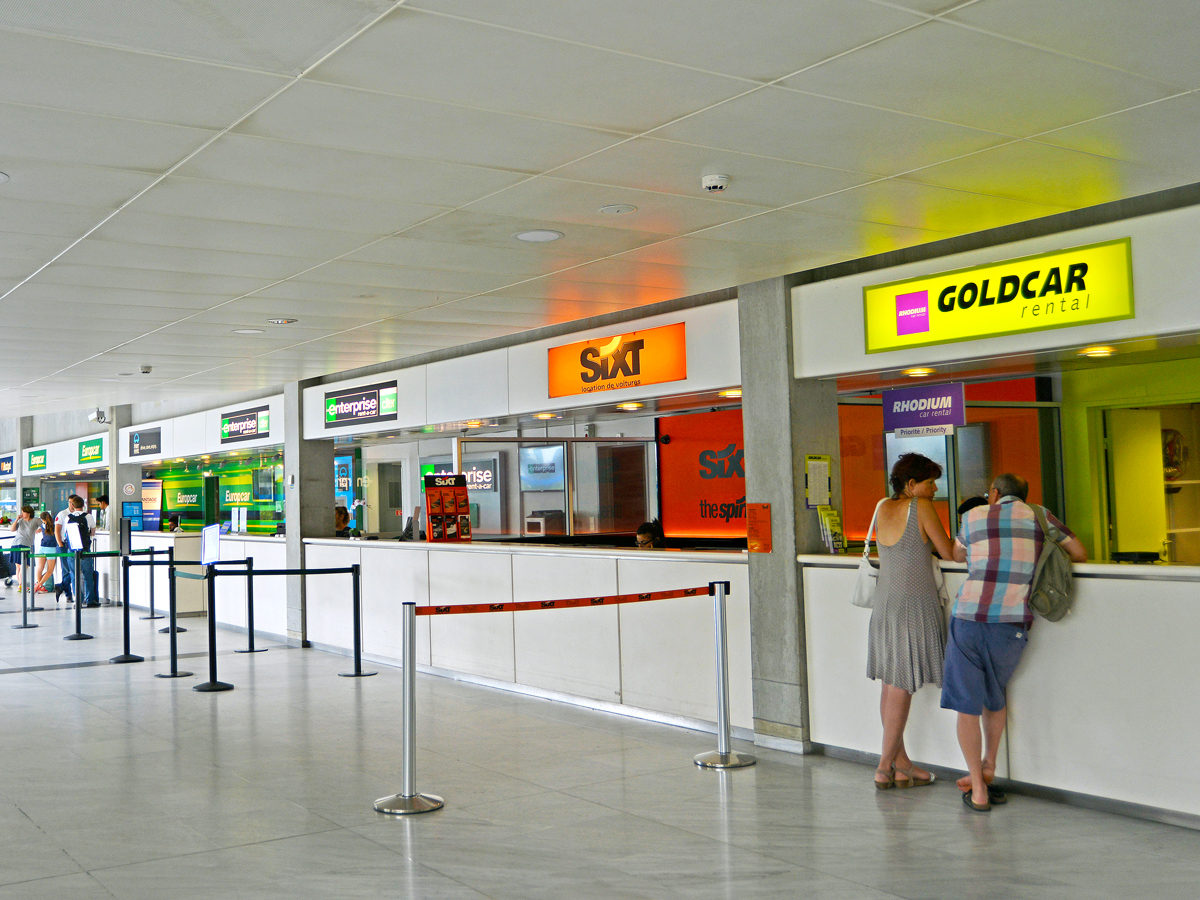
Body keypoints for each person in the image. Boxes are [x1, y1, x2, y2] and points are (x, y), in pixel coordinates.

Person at [944, 473, 1087, 812]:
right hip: (1012, 623)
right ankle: (990, 764)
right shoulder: (1040, 515)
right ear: (1024, 495)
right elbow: (1078, 553)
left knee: (967, 704)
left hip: (968, 617)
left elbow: (954, 555)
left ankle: (978, 788)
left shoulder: (972, 516)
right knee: (994, 696)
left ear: (993, 493)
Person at [866, 452, 956, 790]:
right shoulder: (921, 507)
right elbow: (947, 552)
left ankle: (902, 765)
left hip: (885, 605)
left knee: (891, 685)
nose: (935, 489)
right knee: (901, 686)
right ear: (912, 484)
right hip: (914, 605)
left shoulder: (881, 508)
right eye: (931, 482)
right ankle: (883, 765)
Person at [55, 495, 98, 607]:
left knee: (74, 575)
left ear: (72, 506)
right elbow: (93, 532)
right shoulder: (88, 516)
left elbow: (65, 534)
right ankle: (90, 600)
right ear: (83, 505)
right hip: (85, 550)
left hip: (72, 549)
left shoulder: (67, 517)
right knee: (88, 575)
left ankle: (78, 600)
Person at [7, 505, 40, 588]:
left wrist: (40, 530)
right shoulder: (20, 521)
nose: (22, 514)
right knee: (19, 566)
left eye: (23, 512)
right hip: (17, 544)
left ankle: (21, 585)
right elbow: (12, 529)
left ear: (28, 513)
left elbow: (45, 524)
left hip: (27, 544)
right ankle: (21, 584)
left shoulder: (35, 520)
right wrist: (17, 519)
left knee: (23, 566)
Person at [35, 511, 57, 594]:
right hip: (51, 548)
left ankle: (40, 585)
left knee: (40, 568)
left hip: (42, 547)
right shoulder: (54, 526)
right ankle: (39, 585)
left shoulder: (42, 525)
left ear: (42, 519)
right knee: (50, 570)